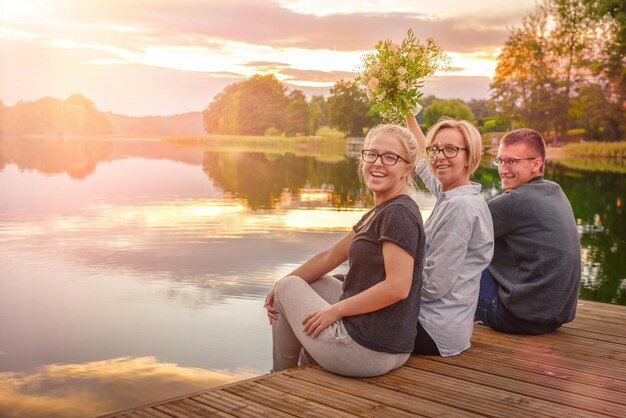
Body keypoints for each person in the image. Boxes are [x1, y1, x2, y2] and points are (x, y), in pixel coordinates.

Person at [263, 124, 425, 377]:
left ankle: (278, 376)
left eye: (390, 157)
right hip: (385, 343)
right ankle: (303, 362)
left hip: (368, 350)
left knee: (288, 288)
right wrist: (277, 286)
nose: (377, 163)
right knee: (302, 282)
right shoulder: (382, 211)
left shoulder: (398, 215)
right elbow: (331, 256)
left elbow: (398, 287)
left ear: (407, 168)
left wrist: (334, 310)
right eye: (371, 154)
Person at [474, 128, 581, 334]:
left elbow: (457, 233)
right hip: (553, 317)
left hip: (516, 317)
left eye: (512, 161)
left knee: (454, 258)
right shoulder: (555, 191)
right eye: (500, 161)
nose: (503, 169)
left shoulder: (514, 201)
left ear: (536, 164)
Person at [405, 115, 494, 356]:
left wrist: (388, 281)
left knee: (337, 297)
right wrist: (407, 113)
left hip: (432, 329)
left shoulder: (461, 208)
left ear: (469, 157)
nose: (440, 156)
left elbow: (433, 285)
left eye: (451, 149)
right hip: (442, 326)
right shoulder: (454, 194)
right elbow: (425, 166)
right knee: (341, 287)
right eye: (436, 149)